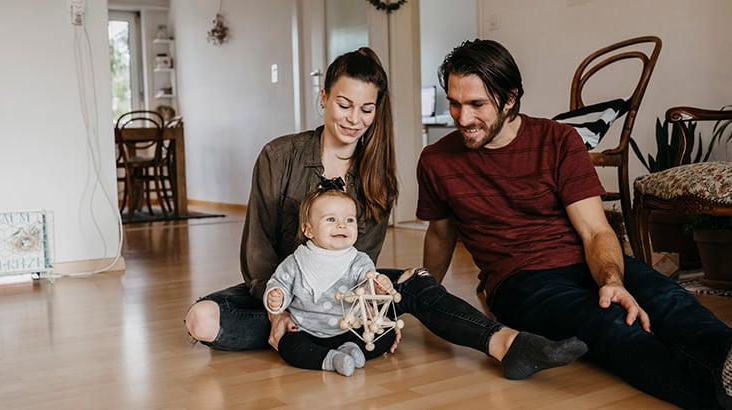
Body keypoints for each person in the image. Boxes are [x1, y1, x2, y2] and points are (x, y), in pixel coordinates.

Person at [184, 46, 587, 381]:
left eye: (366, 109)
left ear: (377, 111)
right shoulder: (278, 155)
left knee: (415, 283)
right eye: (343, 104)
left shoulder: (379, 177)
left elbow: (364, 264)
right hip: (283, 292)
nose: (353, 119)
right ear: (323, 97)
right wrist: (280, 311)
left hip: (346, 299)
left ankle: (507, 344)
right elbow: (257, 254)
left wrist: (374, 312)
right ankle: (307, 335)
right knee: (202, 320)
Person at [416, 38, 732, 409]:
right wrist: (427, 299)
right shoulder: (436, 161)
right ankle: (716, 398)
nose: (462, 118)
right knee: (608, 325)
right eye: (454, 103)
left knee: (669, 299)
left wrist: (611, 281)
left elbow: (595, 230)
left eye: (476, 105)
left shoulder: (557, 139)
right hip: (520, 282)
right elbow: (440, 233)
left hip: (583, 259)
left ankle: (726, 361)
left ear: (510, 97)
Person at [264, 187, 397, 377]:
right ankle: (331, 359)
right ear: (308, 229)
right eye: (331, 219)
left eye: (349, 220)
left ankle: (351, 349)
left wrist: (379, 287)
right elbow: (280, 284)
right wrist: (277, 296)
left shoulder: (359, 260)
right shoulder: (296, 262)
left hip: (353, 329)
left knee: (387, 333)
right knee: (288, 346)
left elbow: (368, 287)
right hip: (307, 330)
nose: (342, 225)